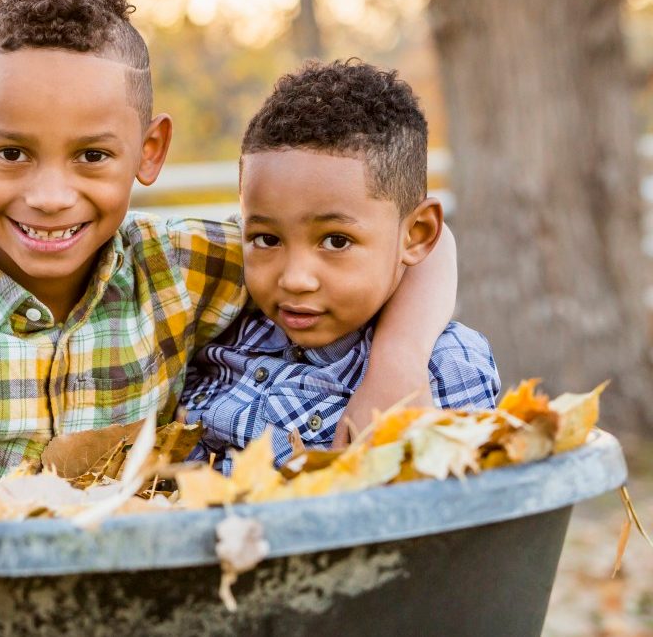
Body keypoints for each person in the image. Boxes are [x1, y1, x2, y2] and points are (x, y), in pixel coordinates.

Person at [0, 0, 459, 485]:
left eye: (93, 157)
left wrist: (394, 364)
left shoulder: (180, 269)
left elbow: (421, 247)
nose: (50, 195)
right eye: (11, 154)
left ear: (149, 152)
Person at [181, 60, 500, 473]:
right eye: (267, 239)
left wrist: (397, 360)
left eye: (336, 241)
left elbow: (473, 515)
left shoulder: (443, 367)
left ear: (416, 234)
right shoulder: (224, 321)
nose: (294, 279)